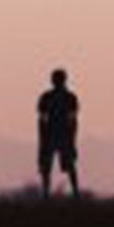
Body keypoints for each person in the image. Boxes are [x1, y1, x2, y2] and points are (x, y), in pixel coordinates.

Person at [37, 68, 81, 197]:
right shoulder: (66, 97)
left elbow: (73, 119)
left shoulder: (55, 97)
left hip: (59, 135)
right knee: (48, 167)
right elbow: (42, 118)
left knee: (65, 166)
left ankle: (74, 193)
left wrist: (72, 138)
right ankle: (49, 194)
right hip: (57, 135)